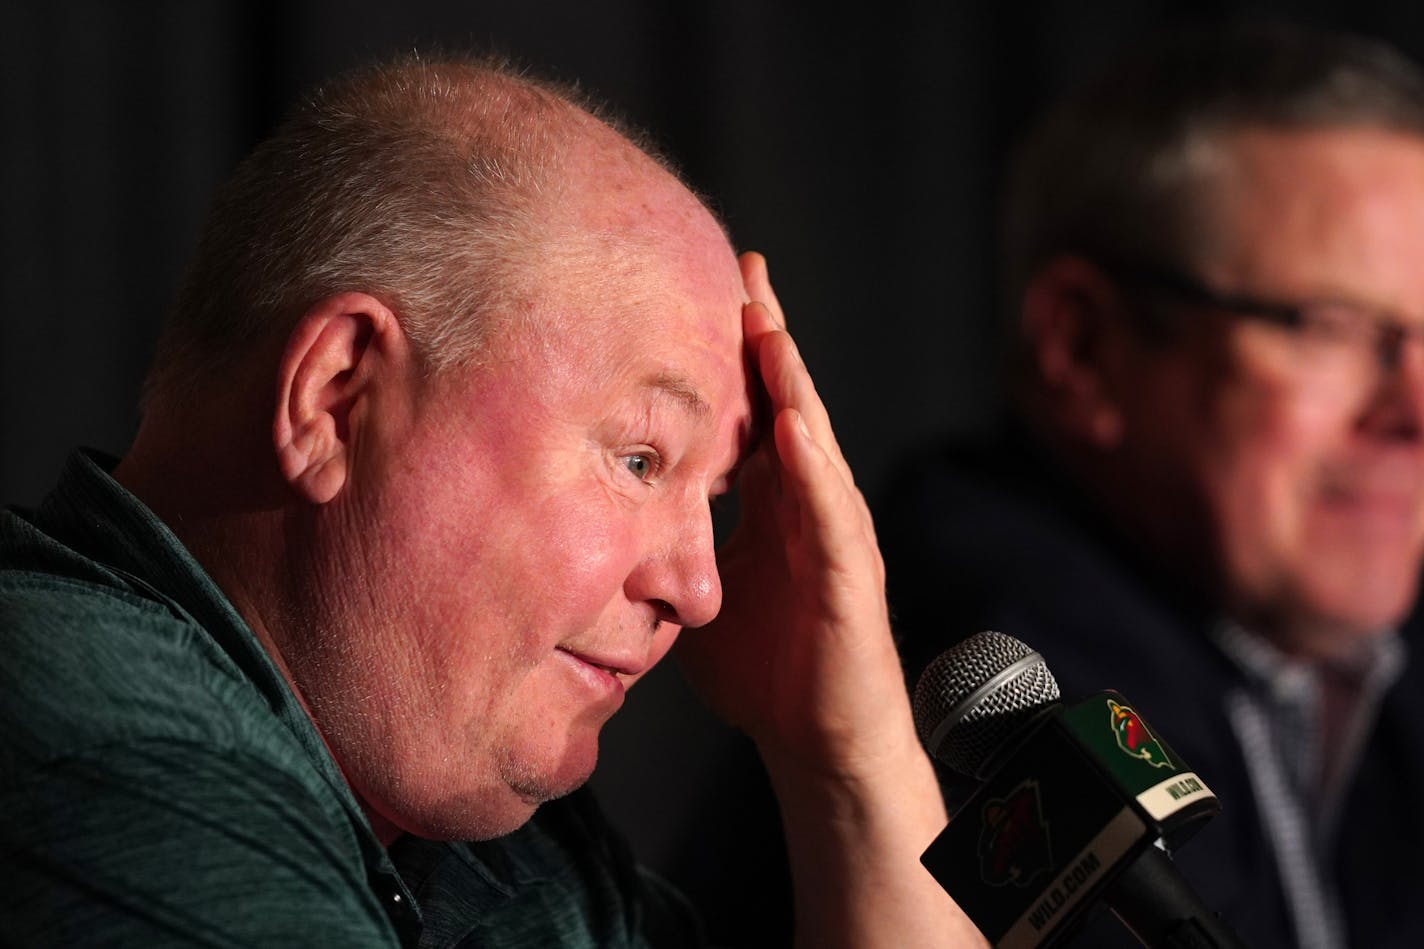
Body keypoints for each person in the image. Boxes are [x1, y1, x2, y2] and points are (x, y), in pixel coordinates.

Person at [0, 56, 985, 948]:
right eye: (641, 459)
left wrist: (846, 759)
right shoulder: (100, 747)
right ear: (337, 399)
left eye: (712, 496)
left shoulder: (514, 849)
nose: (698, 588)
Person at [879, 22, 1424, 949]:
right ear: (1085, 350)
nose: (1414, 406)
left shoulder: (1320, 647)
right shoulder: (994, 667)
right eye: (1333, 326)